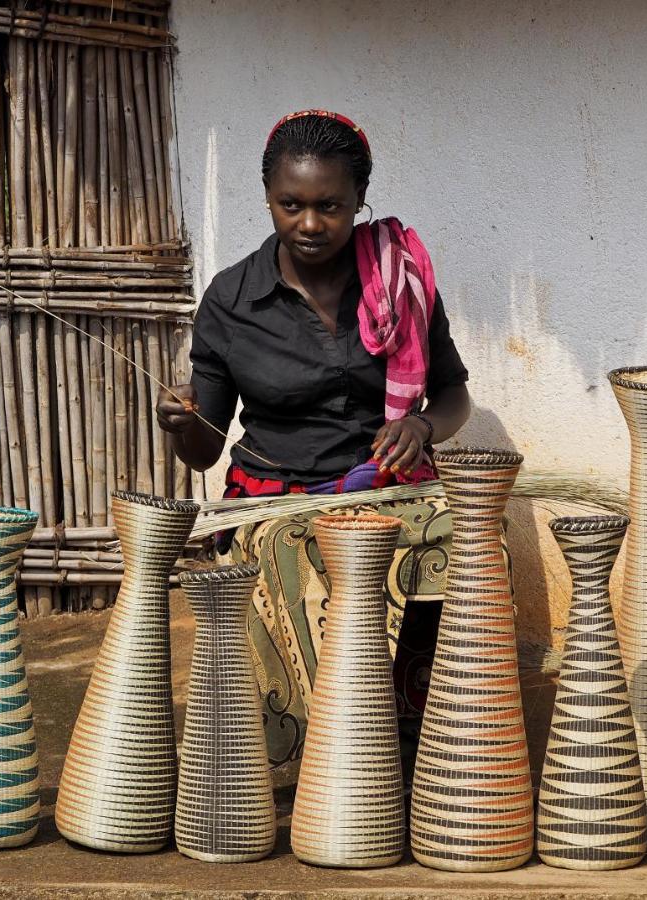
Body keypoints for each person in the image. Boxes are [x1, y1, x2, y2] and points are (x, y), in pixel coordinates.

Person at [156, 110, 484, 773]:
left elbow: (453, 397)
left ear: (360, 199)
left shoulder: (402, 281)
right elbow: (204, 451)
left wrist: (420, 426)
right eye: (291, 204)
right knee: (285, 558)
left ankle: (428, 738)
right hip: (277, 502)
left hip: (386, 491)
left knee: (471, 539)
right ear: (268, 197)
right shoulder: (231, 301)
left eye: (329, 206)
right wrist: (183, 422)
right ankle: (326, 757)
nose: (309, 223)